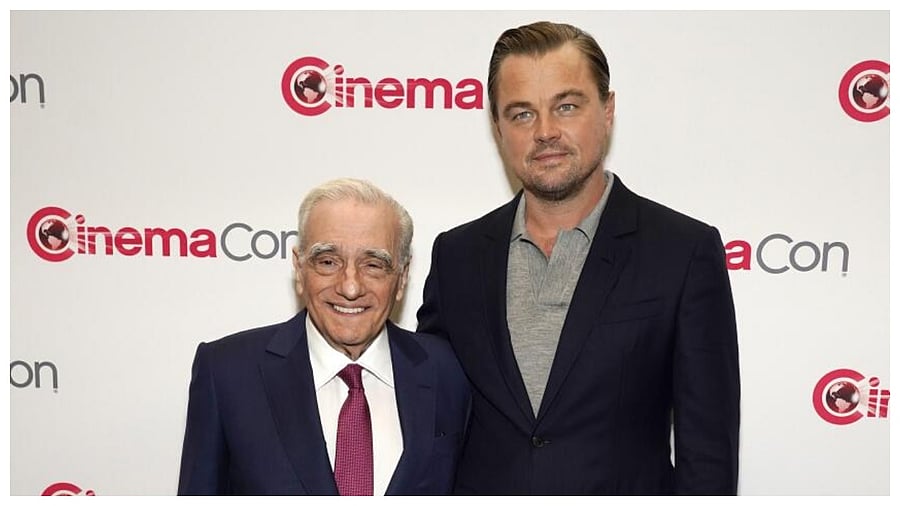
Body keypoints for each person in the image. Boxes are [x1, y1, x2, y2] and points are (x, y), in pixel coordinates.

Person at [417, 21, 740, 495]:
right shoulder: (456, 255)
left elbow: (707, 454)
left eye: (566, 106)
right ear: (497, 127)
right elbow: (433, 417)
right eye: (522, 113)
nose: (545, 132)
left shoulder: (683, 251)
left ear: (607, 110)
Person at [178, 178, 470, 495]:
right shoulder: (227, 373)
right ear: (300, 267)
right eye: (328, 262)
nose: (350, 286)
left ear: (401, 278)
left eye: (373, 264)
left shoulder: (450, 371)